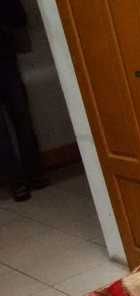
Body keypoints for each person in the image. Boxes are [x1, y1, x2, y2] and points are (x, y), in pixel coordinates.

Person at [1, 0, 48, 202]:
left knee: (13, 126)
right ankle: (32, 176)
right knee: (22, 120)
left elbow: (18, 17)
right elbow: (18, 17)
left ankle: (20, 183)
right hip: (5, 57)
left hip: (5, 57)